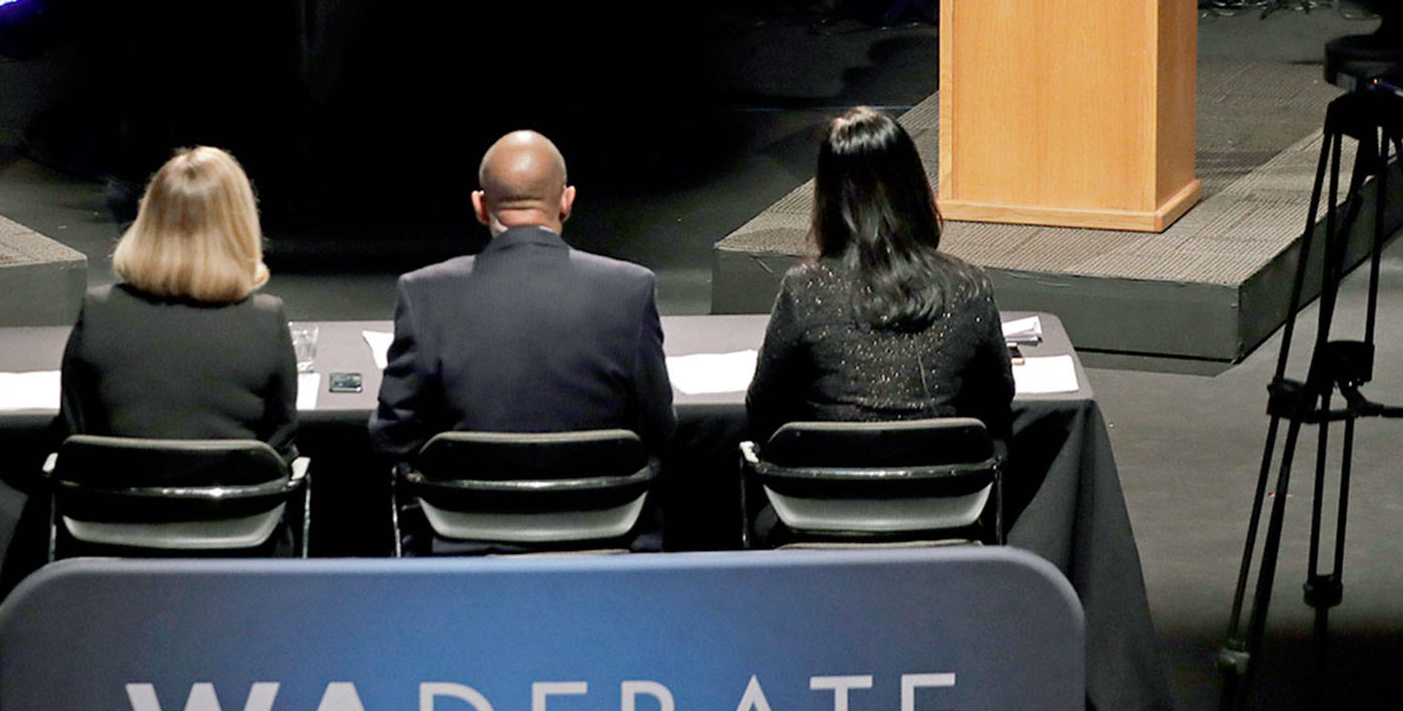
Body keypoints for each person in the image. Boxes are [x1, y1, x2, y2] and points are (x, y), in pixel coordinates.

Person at [368, 130, 675, 461]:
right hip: (604, 510)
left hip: (464, 510)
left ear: (480, 206)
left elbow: (393, 435)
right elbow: (657, 429)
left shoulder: (423, 292)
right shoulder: (631, 288)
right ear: (566, 201)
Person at [744, 107, 1012, 446]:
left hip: (826, 494)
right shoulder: (968, 285)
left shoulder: (804, 289)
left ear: (827, 197)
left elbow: (764, 409)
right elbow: (996, 403)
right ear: (914, 186)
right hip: (948, 493)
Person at [61, 145, 298, 453]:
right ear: (240, 227)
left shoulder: (98, 312)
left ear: (148, 220)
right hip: (233, 500)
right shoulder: (266, 320)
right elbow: (280, 441)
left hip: (117, 501)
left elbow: (76, 434)